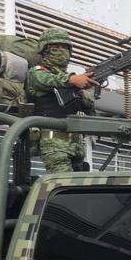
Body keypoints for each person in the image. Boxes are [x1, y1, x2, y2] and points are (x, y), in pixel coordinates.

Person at [26, 28, 98, 173]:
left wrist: (84, 92)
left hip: (77, 144)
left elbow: (87, 108)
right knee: (64, 186)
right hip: (54, 144)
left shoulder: (70, 80)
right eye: (55, 48)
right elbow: (48, 80)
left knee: (81, 188)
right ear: (45, 50)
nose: (61, 51)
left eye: (65, 47)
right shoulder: (37, 72)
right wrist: (73, 80)